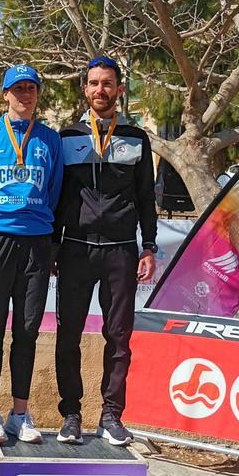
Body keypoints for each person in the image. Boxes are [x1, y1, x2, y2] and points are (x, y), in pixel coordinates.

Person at [53, 56, 157, 446]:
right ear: (85, 89)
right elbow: (58, 195)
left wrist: (148, 246)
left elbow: (147, 196)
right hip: (76, 249)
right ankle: (71, 414)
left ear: (119, 89)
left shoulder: (136, 137)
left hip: (120, 252)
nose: (101, 90)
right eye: (94, 83)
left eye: (108, 83)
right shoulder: (66, 137)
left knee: (118, 337)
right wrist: (52, 247)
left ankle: (112, 415)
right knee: (69, 336)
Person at [0, 64, 63, 445]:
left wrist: (36, 223)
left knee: (27, 329)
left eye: (31, 88)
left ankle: (21, 413)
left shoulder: (49, 140)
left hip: (36, 242)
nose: (25, 94)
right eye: (17, 88)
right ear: (5, 94)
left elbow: (53, 190)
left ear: (37, 94)